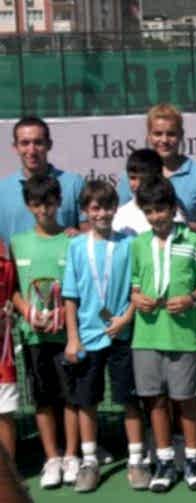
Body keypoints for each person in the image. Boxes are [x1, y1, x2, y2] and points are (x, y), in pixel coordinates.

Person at [60, 180, 148, 492]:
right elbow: (70, 297)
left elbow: (138, 288)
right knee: (87, 402)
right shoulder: (76, 247)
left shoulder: (129, 243)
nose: (102, 213)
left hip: (124, 336)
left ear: (115, 209)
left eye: (108, 207)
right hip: (88, 337)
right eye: (95, 208)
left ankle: (136, 460)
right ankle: (89, 462)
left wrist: (126, 318)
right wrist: (73, 338)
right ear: (85, 211)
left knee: (130, 400)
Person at [129, 176, 196, 492]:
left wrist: (191, 299)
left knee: (186, 401)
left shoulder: (193, 241)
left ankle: (192, 461)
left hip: (183, 336)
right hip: (146, 337)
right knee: (155, 402)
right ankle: (164, 462)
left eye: (161, 209)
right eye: (149, 211)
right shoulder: (138, 244)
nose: (156, 217)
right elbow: (135, 283)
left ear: (173, 208)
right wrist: (137, 297)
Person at [9, 175, 76, 489]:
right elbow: (12, 290)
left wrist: (66, 318)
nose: (43, 210)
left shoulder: (72, 240)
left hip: (67, 336)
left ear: (58, 202)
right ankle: (52, 458)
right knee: (42, 399)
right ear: (28, 206)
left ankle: (72, 455)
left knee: (71, 398)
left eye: (49, 203)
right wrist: (28, 313)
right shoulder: (17, 243)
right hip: (34, 336)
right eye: (36, 204)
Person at [117, 104, 196, 237]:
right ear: (149, 135)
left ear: (181, 134)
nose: (164, 140)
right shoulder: (130, 177)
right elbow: (121, 220)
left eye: (171, 134)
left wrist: (179, 227)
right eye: (158, 134)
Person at [0, 116, 85, 246]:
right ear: (15, 147)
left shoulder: (74, 184)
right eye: (25, 143)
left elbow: (90, 235)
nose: (32, 150)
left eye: (38, 142)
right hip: (17, 260)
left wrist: (80, 236)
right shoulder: (2, 191)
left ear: (49, 145)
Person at [113, 149, 186, 236]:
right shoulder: (120, 215)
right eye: (133, 178)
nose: (138, 183)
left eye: (143, 178)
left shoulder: (171, 214)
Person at [0, 240, 18, 468]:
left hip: (2, 351)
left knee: (4, 411)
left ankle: (6, 473)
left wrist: (9, 314)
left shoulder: (5, 257)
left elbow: (13, 294)